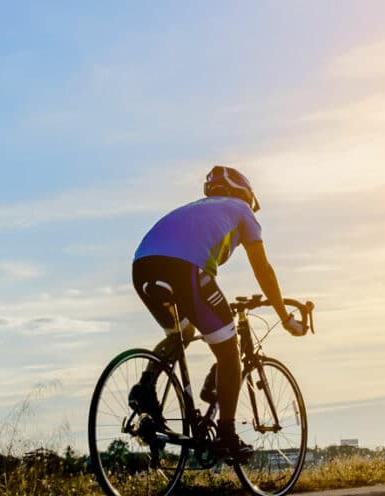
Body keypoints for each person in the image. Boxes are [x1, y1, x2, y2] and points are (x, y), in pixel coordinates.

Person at [130, 166, 306, 461]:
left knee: (181, 334)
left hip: (142, 266)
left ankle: (146, 388)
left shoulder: (195, 209)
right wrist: (285, 316)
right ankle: (227, 435)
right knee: (228, 352)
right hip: (184, 270)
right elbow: (262, 269)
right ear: (245, 194)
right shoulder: (241, 210)